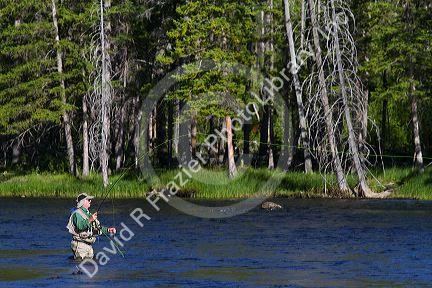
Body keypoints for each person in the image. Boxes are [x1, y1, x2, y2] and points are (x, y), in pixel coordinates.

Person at [66, 193, 116, 260]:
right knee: (80, 266)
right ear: (83, 202)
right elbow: (79, 226)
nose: (90, 201)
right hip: (80, 245)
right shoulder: (77, 214)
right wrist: (90, 220)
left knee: (89, 267)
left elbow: (96, 228)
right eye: (88, 200)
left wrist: (108, 230)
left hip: (88, 246)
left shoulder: (88, 214)